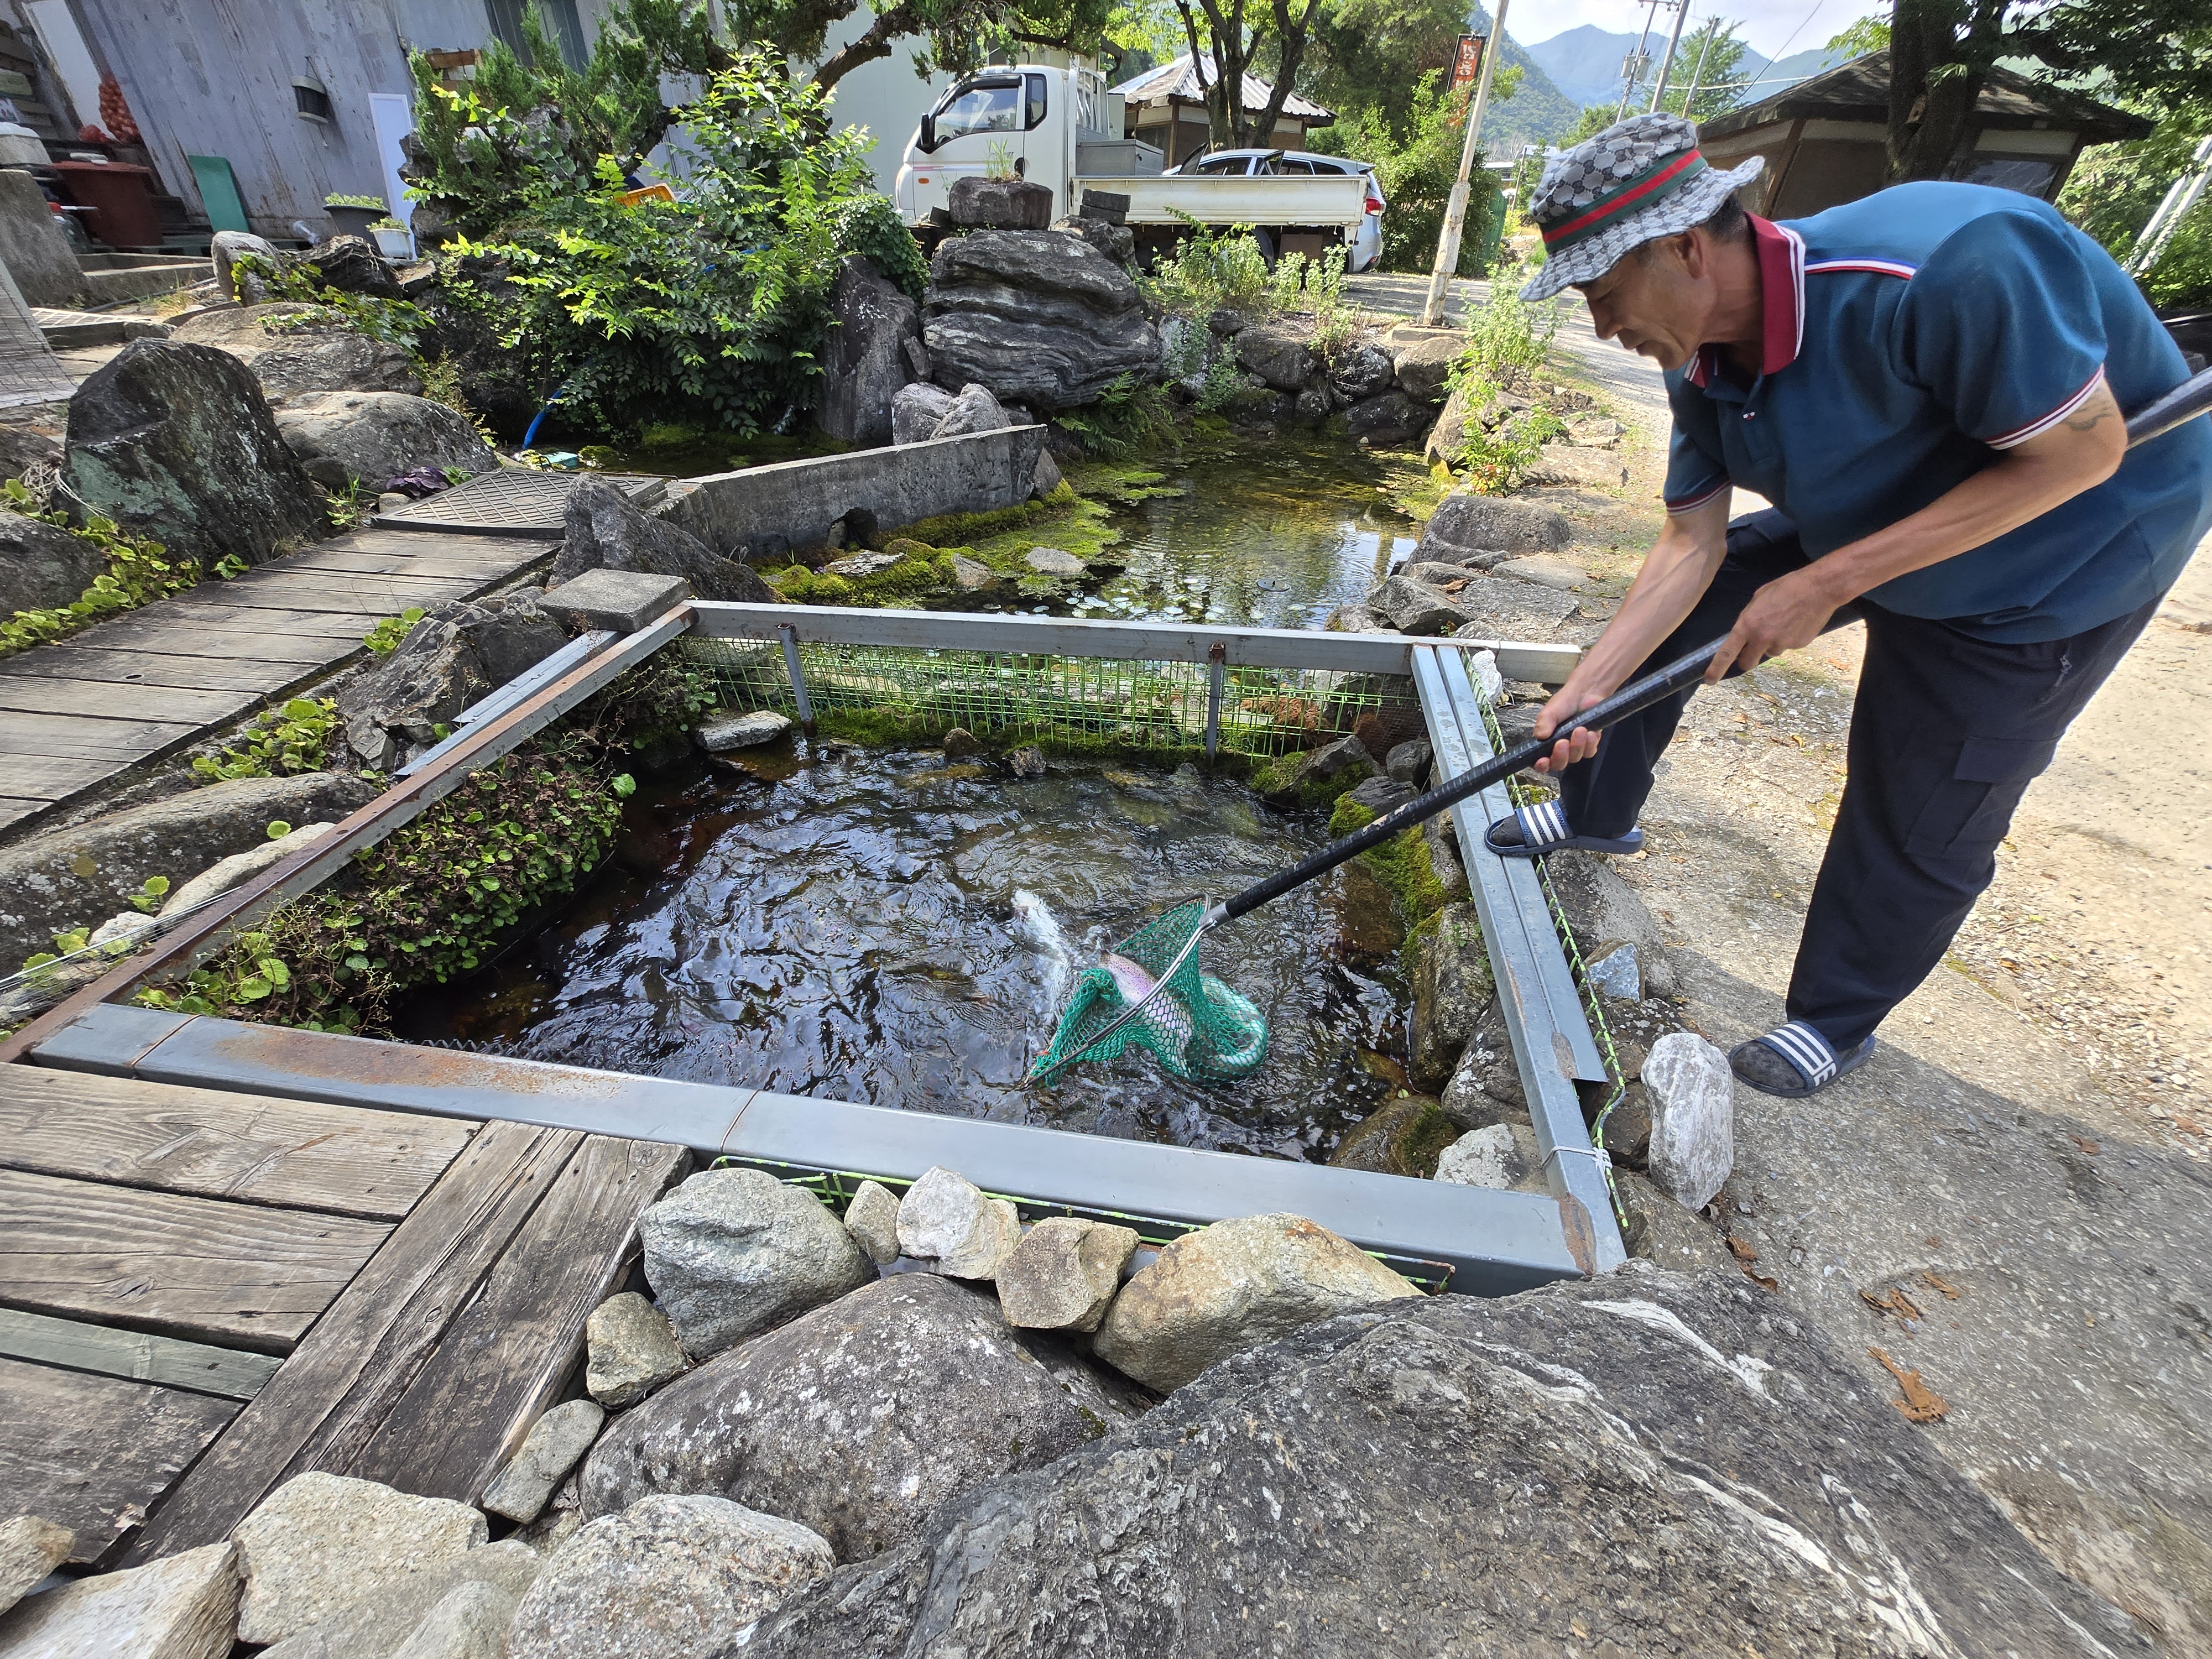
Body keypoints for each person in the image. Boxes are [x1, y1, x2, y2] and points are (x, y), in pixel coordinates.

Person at [1494, 113, 2211, 1098]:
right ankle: (1595, 811)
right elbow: (1690, 543)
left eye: (1603, 293)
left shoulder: (1949, 266)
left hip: (2061, 544)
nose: (1600, 327)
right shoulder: (1700, 358)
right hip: (1883, 497)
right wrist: (1588, 687)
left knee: (1926, 781)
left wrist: (1830, 581)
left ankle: (1837, 1015)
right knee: (1706, 611)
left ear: (1686, 248)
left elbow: (2084, 452)